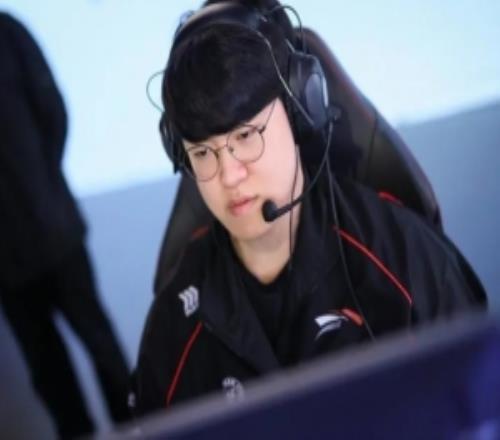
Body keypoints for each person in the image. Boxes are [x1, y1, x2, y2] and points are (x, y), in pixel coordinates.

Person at [132, 0, 487, 416]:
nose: (229, 175)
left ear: (300, 110)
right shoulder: (171, 331)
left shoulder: (404, 261)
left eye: (246, 135)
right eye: (202, 152)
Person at [0, 12, 131, 438]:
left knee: (100, 343)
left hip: (54, 231)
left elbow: (52, 111)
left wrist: (41, 182)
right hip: (9, 263)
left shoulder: (7, 32)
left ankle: (140, 429)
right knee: (47, 371)